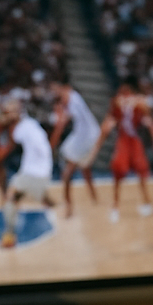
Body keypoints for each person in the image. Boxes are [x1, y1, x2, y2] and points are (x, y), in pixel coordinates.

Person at [90, 77, 153, 221]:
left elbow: (148, 118)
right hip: (123, 140)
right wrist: (96, 148)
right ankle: (115, 206)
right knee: (118, 170)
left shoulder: (138, 103)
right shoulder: (117, 105)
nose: (123, 95)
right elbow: (107, 125)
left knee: (142, 170)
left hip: (134, 140)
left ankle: (147, 202)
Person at [0, 101, 55, 248]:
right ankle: (47, 200)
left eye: (9, 112)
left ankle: (9, 237)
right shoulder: (29, 124)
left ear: (17, 113)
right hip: (38, 170)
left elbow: (9, 144)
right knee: (19, 197)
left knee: (10, 199)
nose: (7, 115)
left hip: (34, 172)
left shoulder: (20, 130)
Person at [50, 81, 100, 217]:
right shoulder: (73, 99)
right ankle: (94, 197)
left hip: (86, 138)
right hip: (86, 136)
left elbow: (59, 128)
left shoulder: (71, 98)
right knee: (85, 168)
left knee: (67, 175)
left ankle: (69, 207)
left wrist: (50, 147)